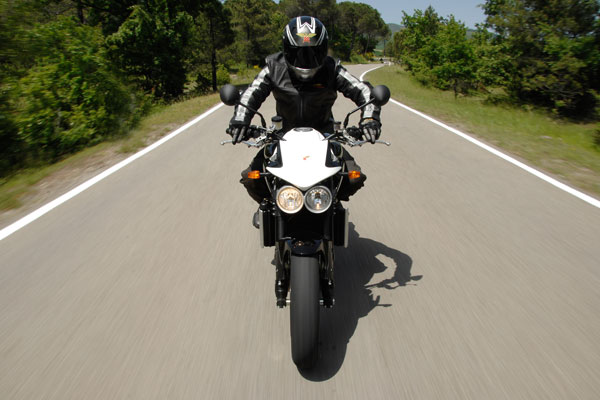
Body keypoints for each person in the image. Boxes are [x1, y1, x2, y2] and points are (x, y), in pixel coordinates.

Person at [227, 16, 383, 204]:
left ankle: (334, 206)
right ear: (286, 49)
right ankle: (267, 208)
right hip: (282, 136)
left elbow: (364, 92)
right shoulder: (273, 67)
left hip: (325, 136)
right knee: (253, 178)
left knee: (353, 178)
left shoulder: (332, 68)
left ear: (323, 49)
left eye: (314, 54)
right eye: (299, 54)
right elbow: (251, 94)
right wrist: (240, 120)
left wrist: (369, 120)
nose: (307, 61)